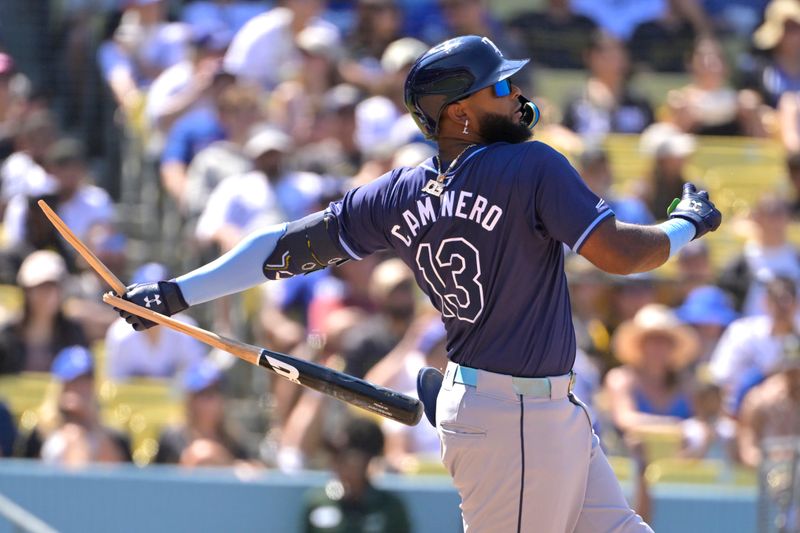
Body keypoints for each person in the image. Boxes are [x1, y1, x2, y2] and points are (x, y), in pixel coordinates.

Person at [115, 35, 723, 532]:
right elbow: (617, 252)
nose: (518, 98)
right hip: (514, 417)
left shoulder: (399, 190)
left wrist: (176, 293)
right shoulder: (529, 164)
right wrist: (685, 224)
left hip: (523, 407)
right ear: (459, 112)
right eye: (502, 87)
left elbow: (285, 245)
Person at [301, 416, 411, 533]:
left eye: (344, 457)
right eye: (335, 456)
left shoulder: (390, 508)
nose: (335, 463)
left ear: (366, 461)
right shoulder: (317, 502)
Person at [605, 304, 699, 436]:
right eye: (653, 340)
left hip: (680, 455)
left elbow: (702, 421)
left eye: (665, 341)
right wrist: (673, 425)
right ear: (640, 345)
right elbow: (624, 419)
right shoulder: (620, 379)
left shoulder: (686, 382)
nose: (659, 347)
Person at [0, 250, 88, 374]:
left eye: (55, 286)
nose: (50, 294)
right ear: (27, 291)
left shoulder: (74, 334)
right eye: (42, 287)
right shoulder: (5, 337)